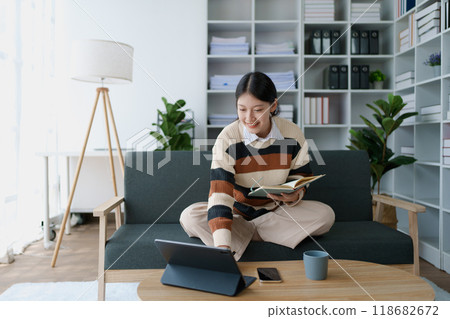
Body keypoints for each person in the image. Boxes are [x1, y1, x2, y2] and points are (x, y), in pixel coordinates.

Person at [180, 71, 335, 260]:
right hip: (236, 212)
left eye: (258, 109)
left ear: (273, 106)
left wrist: (294, 194)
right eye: (242, 109)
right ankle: (246, 233)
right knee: (189, 216)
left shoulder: (292, 133)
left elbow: (301, 174)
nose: (249, 118)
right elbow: (220, 193)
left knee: (325, 215)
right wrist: (222, 247)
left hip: (277, 211)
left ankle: (244, 236)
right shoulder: (228, 138)